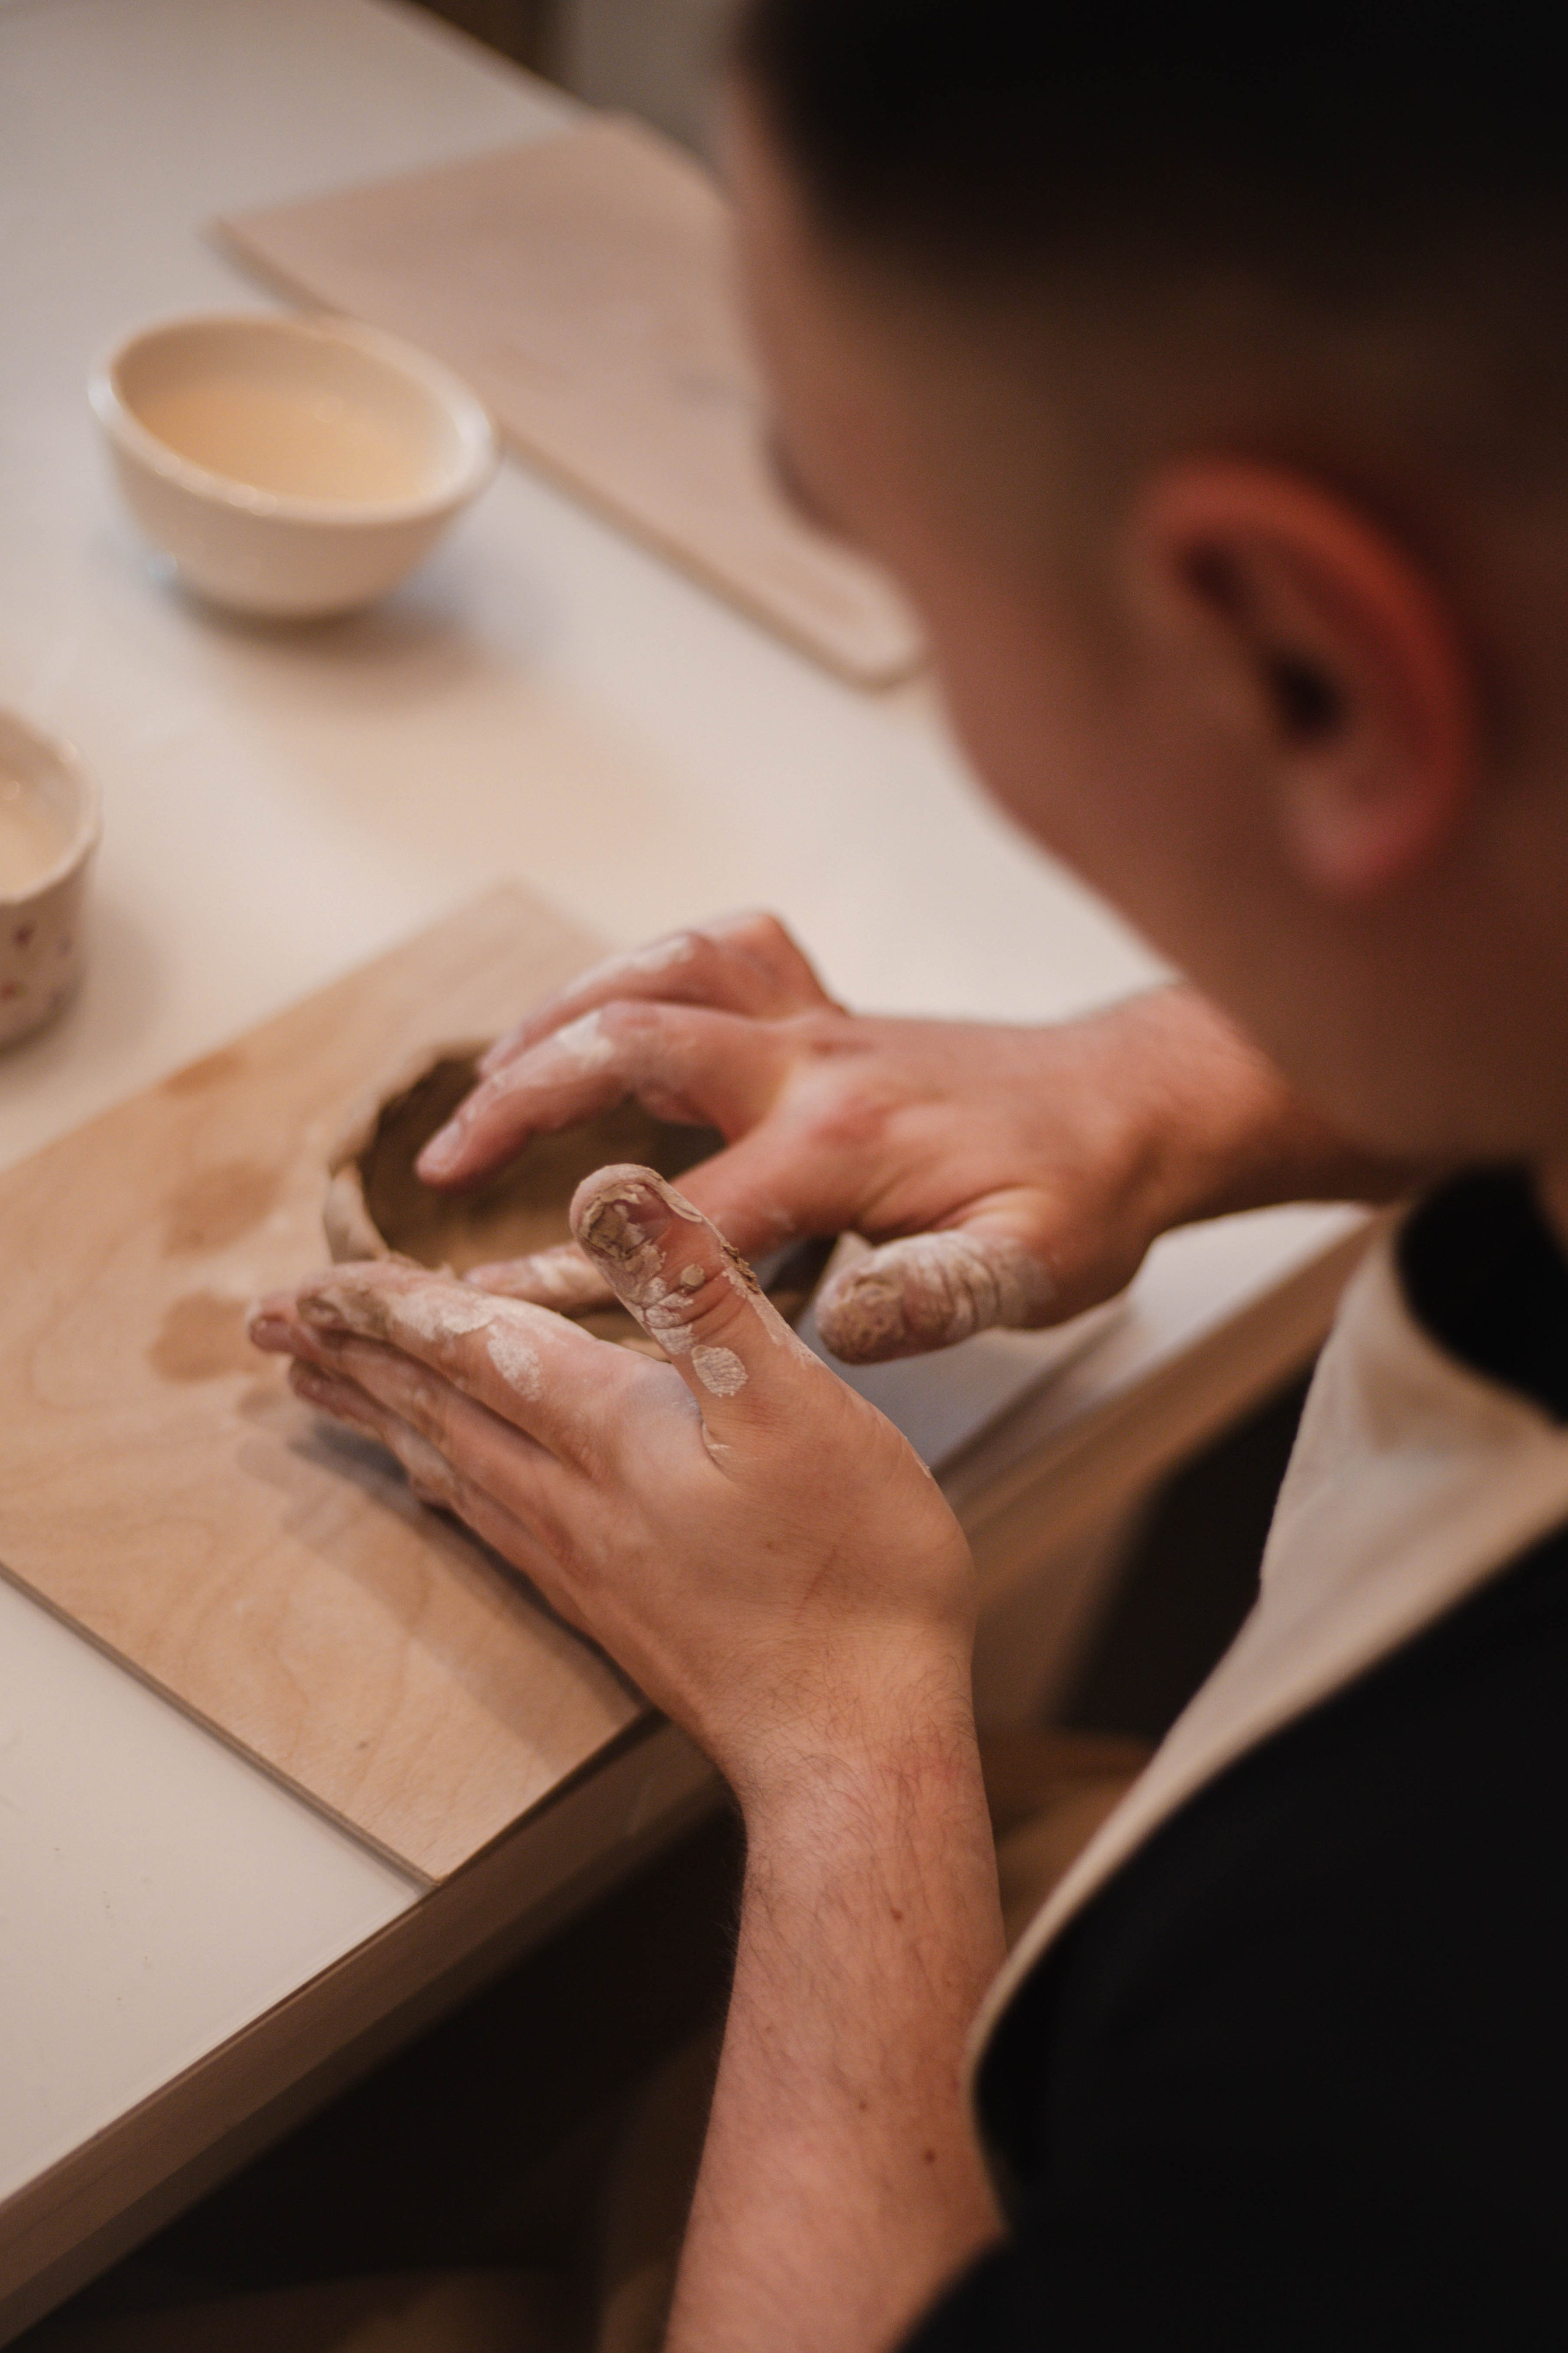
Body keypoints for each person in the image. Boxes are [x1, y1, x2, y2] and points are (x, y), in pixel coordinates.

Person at [253, 3, 1568, 2344]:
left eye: (882, 538)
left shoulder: (1433, 1990)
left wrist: (852, 1714)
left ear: (1308, 672)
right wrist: (1184, 1083)